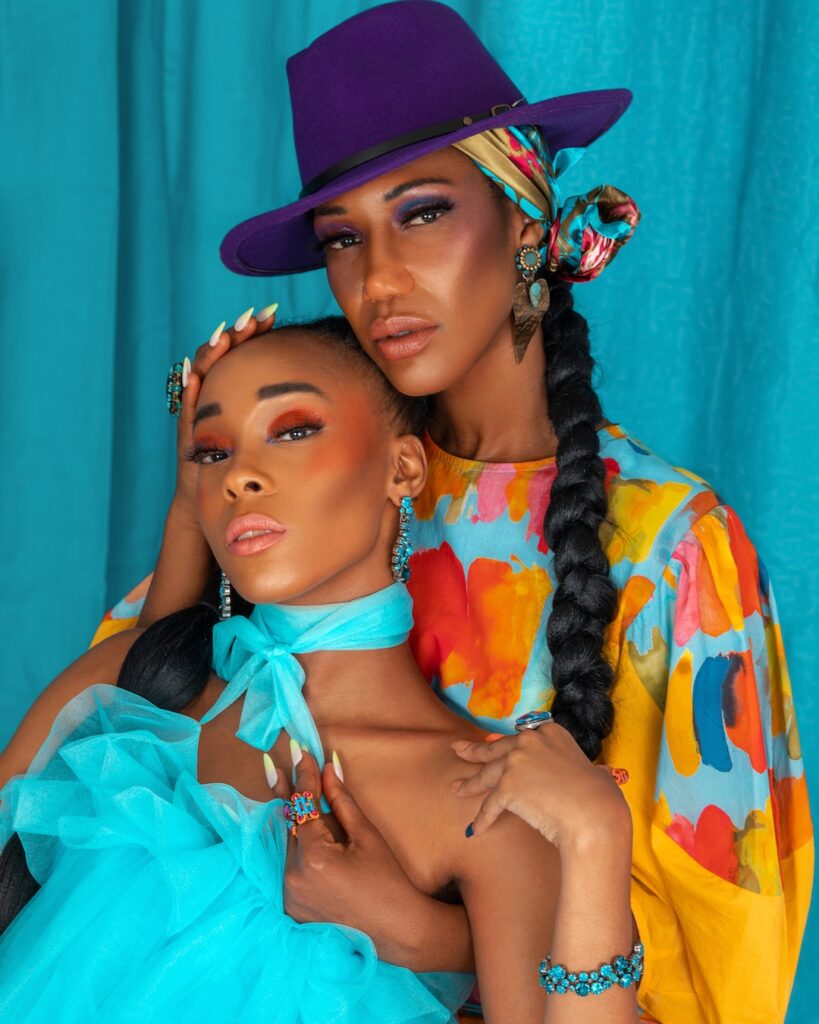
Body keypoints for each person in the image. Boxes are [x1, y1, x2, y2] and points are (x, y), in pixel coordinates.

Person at [90, 4, 811, 1021]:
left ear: (527, 219)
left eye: (422, 212)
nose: (378, 279)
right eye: (343, 239)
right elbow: (112, 749)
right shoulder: (315, 477)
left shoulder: (676, 554)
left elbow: (719, 999)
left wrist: (434, 934)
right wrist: (193, 488)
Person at [0, 318, 644, 1023]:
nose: (239, 476)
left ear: (403, 468)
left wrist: (594, 836)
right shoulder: (134, 683)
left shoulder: (481, 799)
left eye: (294, 429)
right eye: (213, 451)